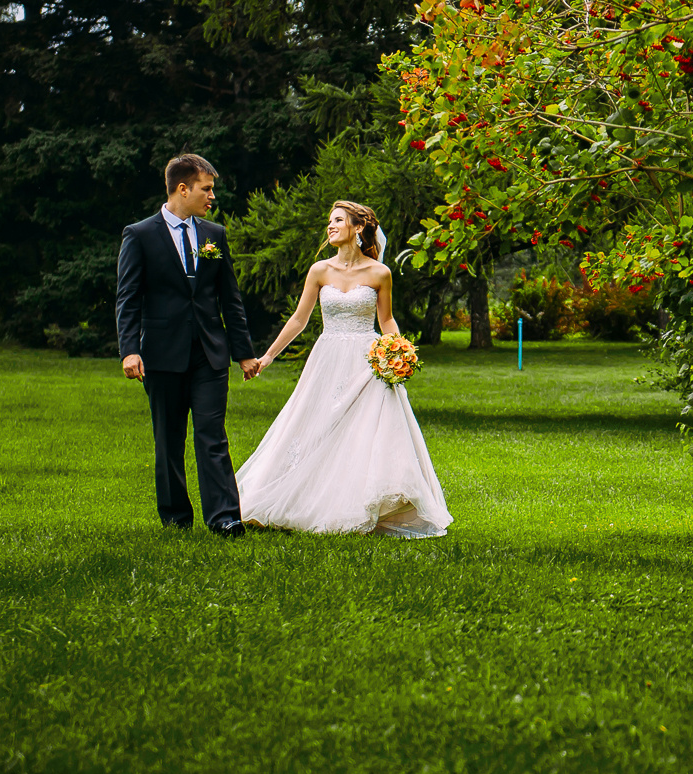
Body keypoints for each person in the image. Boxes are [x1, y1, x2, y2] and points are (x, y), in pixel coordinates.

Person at [236, 200, 453, 537]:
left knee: (364, 432)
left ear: (358, 227)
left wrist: (397, 351)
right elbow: (299, 318)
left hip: (367, 362)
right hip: (328, 358)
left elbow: (386, 319)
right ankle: (297, 496)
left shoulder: (380, 273)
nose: (330, 226)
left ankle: (361, 502)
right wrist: (268, 356)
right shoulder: (320, 270)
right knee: (315, 426)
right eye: (329, 221)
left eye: (338, 220)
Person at [115, 153, 261, 535]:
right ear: (183, 189)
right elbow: (127, 298)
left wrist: (243, 353)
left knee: (212, 435)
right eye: (206, 189)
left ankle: (225, 517)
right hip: (161, 355)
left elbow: (230, 299)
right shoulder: (140, 234)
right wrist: (130, 349)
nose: (212, 196)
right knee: (169, 440)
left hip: (210, 354)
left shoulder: (214, 235)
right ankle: (176, 518)